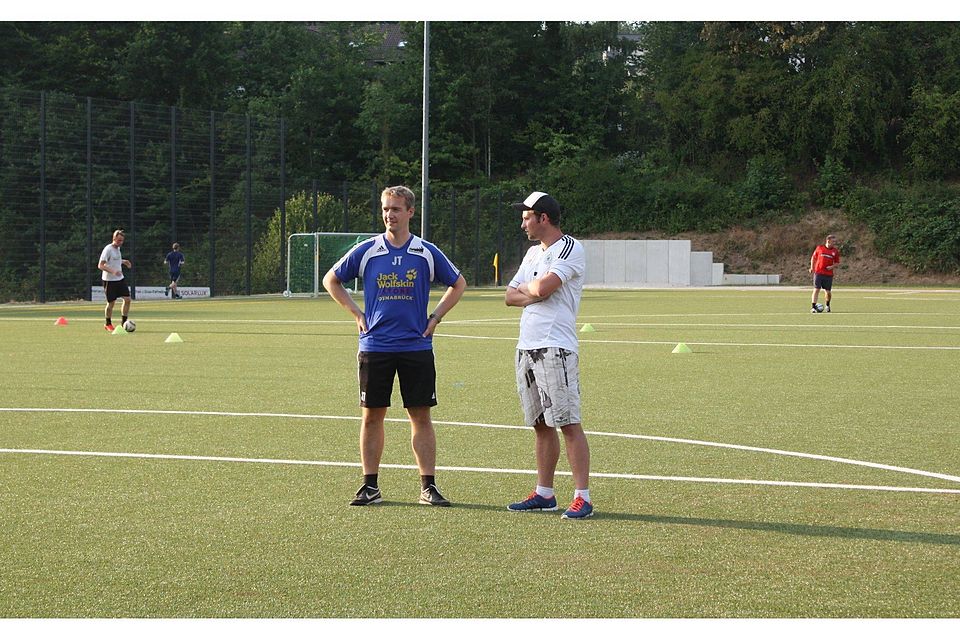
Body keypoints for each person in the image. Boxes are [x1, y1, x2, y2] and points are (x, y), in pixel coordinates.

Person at [322, 185, 467, 507]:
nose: (390, 215)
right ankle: (369, 486)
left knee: (420, 416)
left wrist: (436, 317)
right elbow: (331, 279)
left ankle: (428, 486)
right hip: (375, 346)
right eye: (386, 209)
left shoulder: (425, 251)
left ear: (410, 212)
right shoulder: (367, 250)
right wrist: (357, 314)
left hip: (416, 347)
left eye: (396, 209)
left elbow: (458, 283)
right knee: (372, 416)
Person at [504, 191, 593, 519]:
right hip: (526, 346)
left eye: (527, 215)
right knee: (540, 425)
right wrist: (534, 291)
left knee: (568, 422)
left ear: (544, 218)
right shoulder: (531, 254)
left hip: (556, 347)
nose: (522, 221)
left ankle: (582, 496)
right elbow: (509, 297)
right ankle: (545, 492)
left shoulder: (570, 248)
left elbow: (542, 289)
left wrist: (532, 290)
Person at [98, 229, 132, 331]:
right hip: (109, 280)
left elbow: (114, 260)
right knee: (111, 303)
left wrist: (123, 261)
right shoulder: (108, 249)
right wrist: (113, 271)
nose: (120, 243)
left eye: (122, 241)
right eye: (118, 240)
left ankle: (124, 323)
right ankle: (108, 323)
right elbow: (100, 265)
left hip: (119, 279)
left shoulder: (118, 249)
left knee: (127, 299)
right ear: (114, 239)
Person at [809, 233, 840, 313]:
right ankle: (813, 307)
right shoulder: (820, 248)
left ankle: (827, 305)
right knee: (816, 289)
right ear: (828, 241)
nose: (834, 243)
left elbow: (837, 263)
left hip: (828, 275)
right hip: (818, 273)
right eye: (833, 241)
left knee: (828, 292)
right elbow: (813, 257)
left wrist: (831, 267)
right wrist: (812, 267)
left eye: (835, 241)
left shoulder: (835, 251)